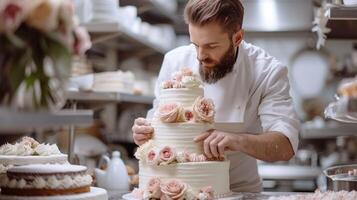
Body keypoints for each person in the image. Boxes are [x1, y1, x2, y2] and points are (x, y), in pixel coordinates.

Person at [132, 0, 300, 192]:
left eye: (211, 46)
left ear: (237, 38)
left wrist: (238, 140)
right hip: (178, 191)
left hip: (240, 190)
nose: (200, 56)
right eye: (195, 44)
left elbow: (285, 146)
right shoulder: (174, 61)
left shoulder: (266, 72)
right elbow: (157, 123)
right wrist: (146, 132)